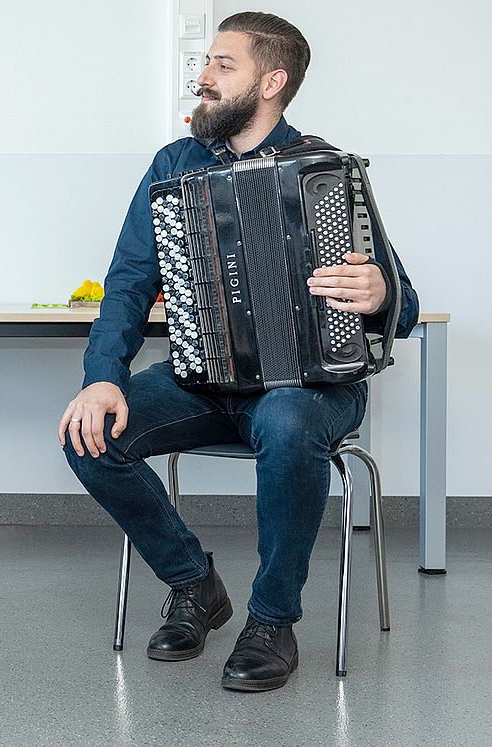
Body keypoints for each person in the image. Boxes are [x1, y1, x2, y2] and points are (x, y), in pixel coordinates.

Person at [58, 11, 418, 692]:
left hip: (309, 388)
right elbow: (130, 282)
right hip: (206, 380)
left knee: (285, 421)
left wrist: (379, 291)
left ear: (272, 81)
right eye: (205, 64)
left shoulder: (325, 171)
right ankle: (195, 583)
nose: (204, 77)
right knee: (87, 433)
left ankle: (272, 621)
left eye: (223, 64)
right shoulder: (176, 164)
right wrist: (103, 377)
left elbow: (407, 303)